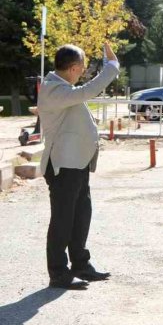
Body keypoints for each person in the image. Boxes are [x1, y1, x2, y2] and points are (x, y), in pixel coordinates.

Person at [38, 42, 120, 290]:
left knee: (81, 216)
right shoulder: (53, 89)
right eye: (83, 67)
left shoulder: (64, 88)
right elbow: (88, 91)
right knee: (62, 220)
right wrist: (111, 67)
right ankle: (58, 273)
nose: (84, 71)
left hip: (77, 164)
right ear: (73, 68)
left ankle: (80, 265)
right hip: (63, 166)